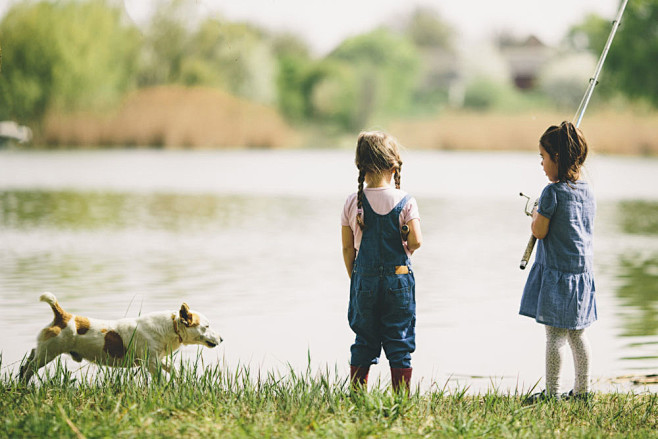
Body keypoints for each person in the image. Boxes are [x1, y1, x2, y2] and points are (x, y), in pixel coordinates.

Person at [519, 121, 596, 402]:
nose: (541, 164)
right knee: (577, 335)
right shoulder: (587, 191)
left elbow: (539, 231)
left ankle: (552, 394)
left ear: (557, 158)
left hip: (557, 277)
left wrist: (536, 212)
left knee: (554, 338)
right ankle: (583, 391)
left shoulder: (551, 193)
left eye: (543, 157)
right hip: (581, 276)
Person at [341, 131, 422, 393]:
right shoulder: (406, 200)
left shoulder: (353, 201)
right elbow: (416, 242)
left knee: (364, 338)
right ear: (393, 165)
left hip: (364, 281)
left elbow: (346, 248)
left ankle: (357, 395)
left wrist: (357, 279)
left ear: (360, 166)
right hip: (398, 280)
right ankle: (401, 397)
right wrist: (404, 239)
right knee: (399, 340)